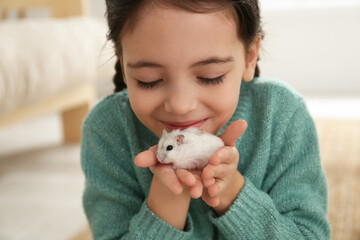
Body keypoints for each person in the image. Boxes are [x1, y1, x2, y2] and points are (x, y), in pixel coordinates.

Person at [81, 0, 331, 239]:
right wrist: (168, 199)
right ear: (123, 62)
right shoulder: (107, 130)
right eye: (149, 80)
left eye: (210, 77)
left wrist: (231, 190)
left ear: (250, 56)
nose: (180, 106)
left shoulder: (282, 115)